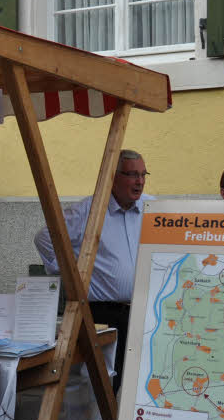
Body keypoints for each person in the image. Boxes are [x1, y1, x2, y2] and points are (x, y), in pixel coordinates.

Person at [34, 149, 153, 392]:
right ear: (113, 177)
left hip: (144, 312)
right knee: (102, 387)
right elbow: (45, 238)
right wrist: (69, 272)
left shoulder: (152, 207)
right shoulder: (89, 210)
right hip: (103, 315)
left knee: (139, 384)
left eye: (143, 174)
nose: (139, 181)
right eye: (132, 175)